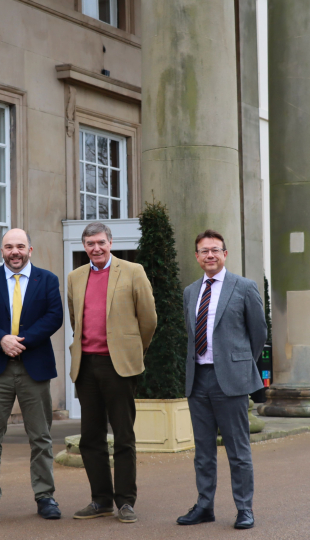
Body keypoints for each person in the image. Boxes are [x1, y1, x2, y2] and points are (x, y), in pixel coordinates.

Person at [0, 228, 64, 520]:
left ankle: (45, 496)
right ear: (2, 251)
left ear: (30, 250)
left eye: (20, 246)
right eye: (9, 246)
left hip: (34, 368)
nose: (15, 252)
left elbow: (54, 316)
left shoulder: (47, 279)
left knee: (41, 437)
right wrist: (2, 339)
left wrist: (22, 341)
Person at [67, 221, 156, 524]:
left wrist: (133, 352)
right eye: (90, 244)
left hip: (119, 366)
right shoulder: (75, 277)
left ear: (110, 242)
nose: (96, 248)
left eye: (101, 242)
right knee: (90, 437)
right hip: (86, 366)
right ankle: (101, 500)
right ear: (85, 246)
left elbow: (148, 320)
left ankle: (126, 502)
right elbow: (74, 319)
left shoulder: (133, 271)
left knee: (123, 436)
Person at [176, 229, 266, 530]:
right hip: (198, 379)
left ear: (225, 254)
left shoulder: (244, 287)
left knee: (238, 451)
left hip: (230, 381)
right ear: (197, 256)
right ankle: (204, 506)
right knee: (203, 452)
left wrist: (239, 365)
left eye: (215, 250)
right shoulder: (190, 291)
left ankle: (244, 509)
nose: (210, 255)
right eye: (204, 251)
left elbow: (259, 333)